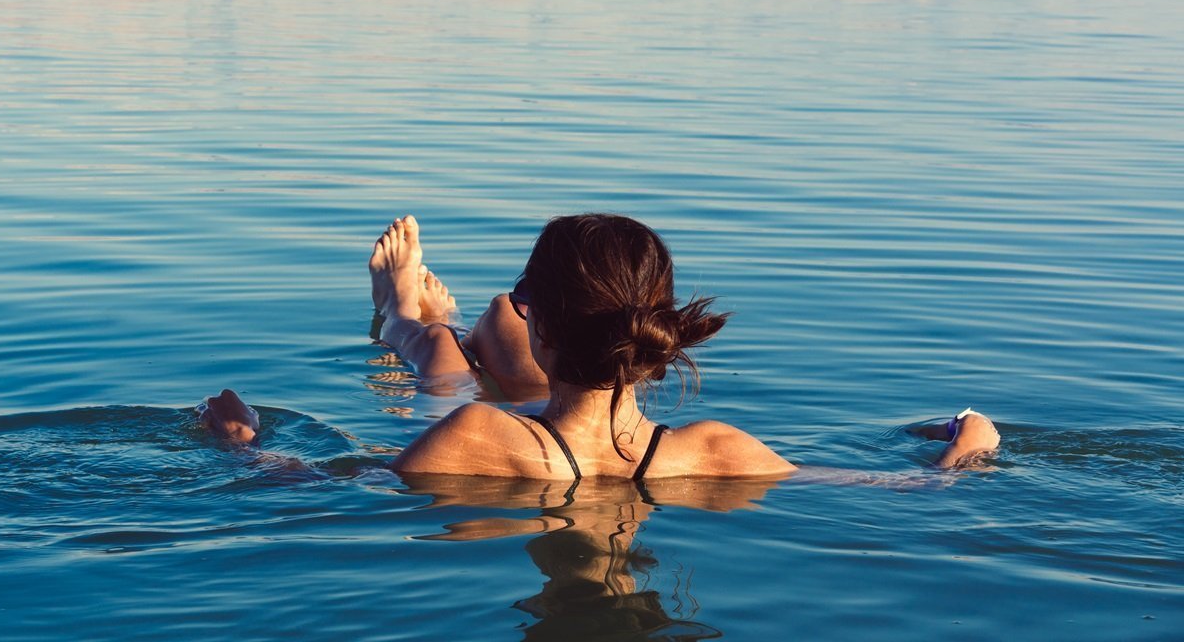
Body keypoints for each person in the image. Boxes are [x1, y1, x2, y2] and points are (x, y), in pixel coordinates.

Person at [200, 213, 1001, 481]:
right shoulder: (720, 451)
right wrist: (971, 440)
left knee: (445, 371)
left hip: (526, 435)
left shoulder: (473, 440)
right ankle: (417, 319)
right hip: (627, 443)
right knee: (468, 360)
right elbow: (909, 488)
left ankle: (404, 316)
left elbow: (308, 487)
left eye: (524, 303)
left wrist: (241, 442)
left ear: (543, 322)